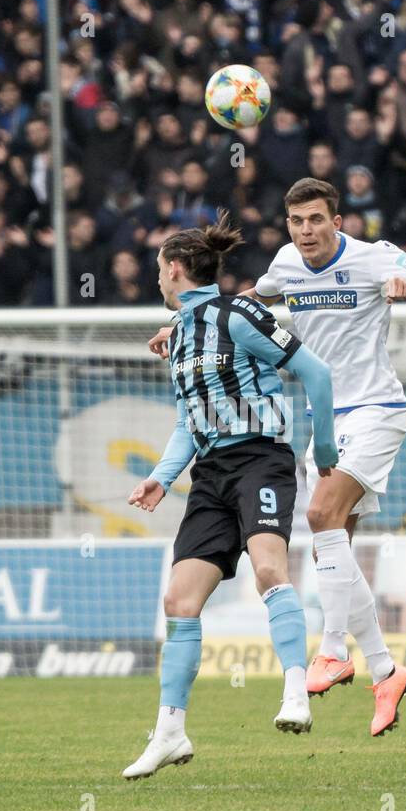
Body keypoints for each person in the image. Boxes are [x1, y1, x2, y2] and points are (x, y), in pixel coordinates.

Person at [152, 178, 406, 736]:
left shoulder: (374, 258)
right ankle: (384, 668)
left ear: (337, 222)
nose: (306, 231)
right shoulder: (284, 265)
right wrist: (184, 323)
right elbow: (246, 305)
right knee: (336, 548)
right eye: (297, 222)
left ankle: (330, 650)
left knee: (322, 516)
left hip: (375, 410)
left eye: (317, 220)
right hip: (326, 418)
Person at [123, 213, 338, 780]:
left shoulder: (239, 314)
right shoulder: (176, 339)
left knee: (270, 568)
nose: (157, 280)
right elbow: (186, 422)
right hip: (211, 474)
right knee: (179, 601)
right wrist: (161, 477)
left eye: (158, 271)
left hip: (261, 460)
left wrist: (324, 450)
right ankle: (170, 732)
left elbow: (316, 372)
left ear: (174, 270)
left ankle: (296, 690)